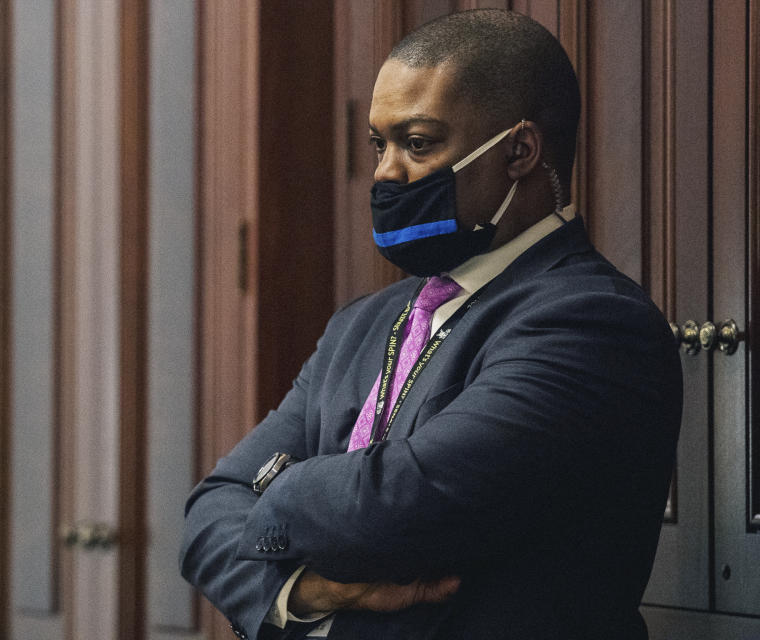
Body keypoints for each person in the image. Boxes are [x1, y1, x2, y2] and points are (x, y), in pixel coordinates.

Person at [180, 9, 682, 640]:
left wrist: (280, 489)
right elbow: (209, 510)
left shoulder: (592, 323)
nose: (387, 171)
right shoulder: (358, 328)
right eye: (378, 145)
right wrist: (301, 590)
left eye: (417, 144)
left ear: (519, 151)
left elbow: (397, 509)